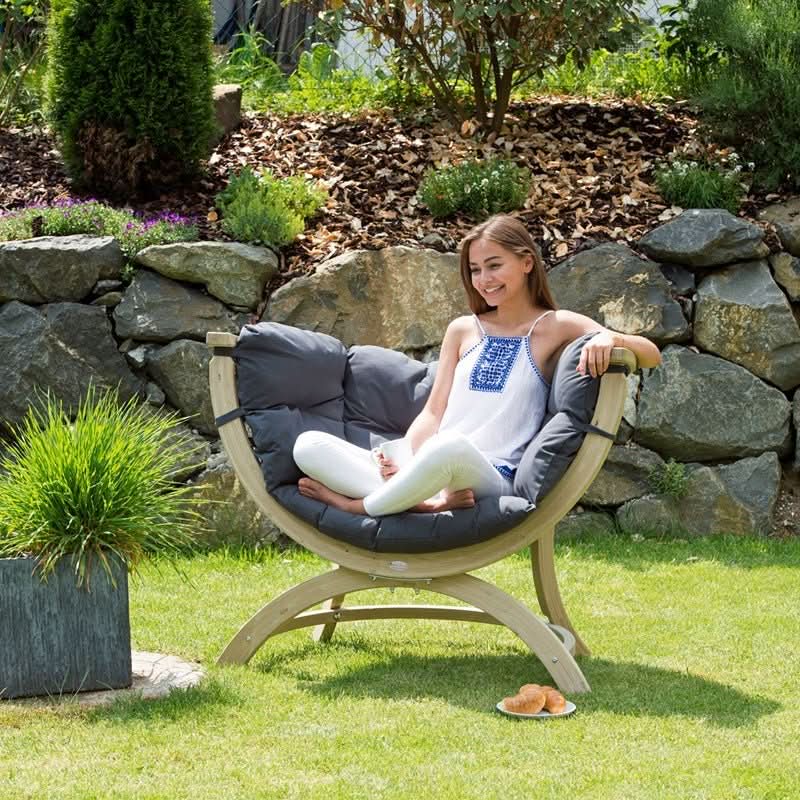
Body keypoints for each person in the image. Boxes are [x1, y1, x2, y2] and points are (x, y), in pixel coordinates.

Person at [293, 214, 662, 517]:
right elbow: (433, 412)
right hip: (431, 459)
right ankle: (417, 498)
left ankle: (360, 506)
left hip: (485, 471)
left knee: (450, 447)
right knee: (308, 446)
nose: (484, 280)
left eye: (494, 266)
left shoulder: (555, 326)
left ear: (526, 262)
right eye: (474, 270)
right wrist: (409, 458)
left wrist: (611, 338)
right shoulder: (463, 329)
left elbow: (651, 354)